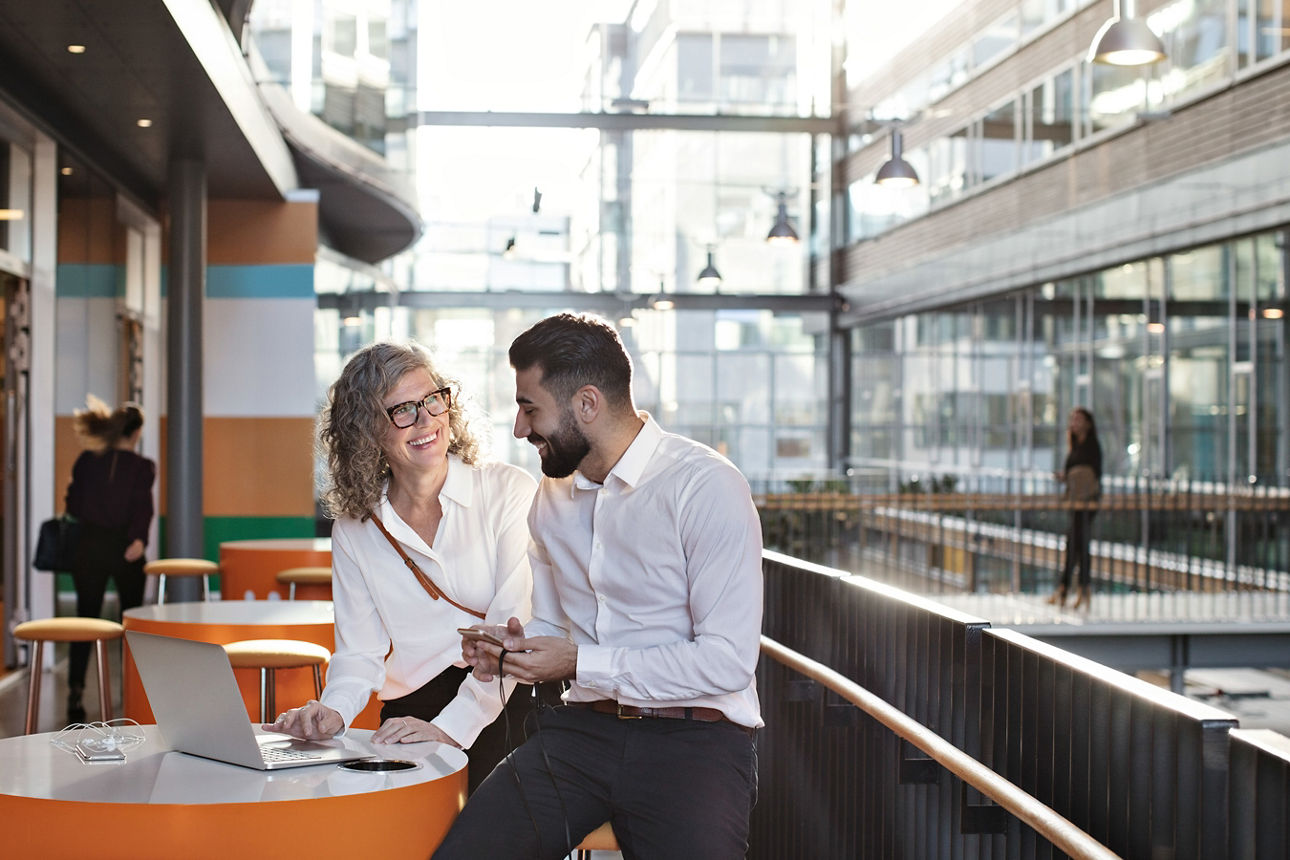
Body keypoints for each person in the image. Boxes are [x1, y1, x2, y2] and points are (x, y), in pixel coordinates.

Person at [436, 313, 764, 859]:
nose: (519, 429)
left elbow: (727, 662)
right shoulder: (552, 497)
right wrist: (513, 647)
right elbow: (553, 625)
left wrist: (576, 663)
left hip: (697, 744)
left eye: (529, 407)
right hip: (581, 734)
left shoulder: (706, 486)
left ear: (586, 404)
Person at [265, 341, 555, 793]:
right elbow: (360, 653)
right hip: (411, 711)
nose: (425, 421)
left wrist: (450, 729)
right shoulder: (356, 528)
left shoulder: (507, 491)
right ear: (367, 432)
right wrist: (334, 711)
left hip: (507, 699)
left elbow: (511, 628)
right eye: (401, 410)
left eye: (432, 400)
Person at [64, 396, 155, 724]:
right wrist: (138, 539)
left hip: (88, 547)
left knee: (84, 622)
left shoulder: (87, 461)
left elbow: (73, 505)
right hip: (126, 549)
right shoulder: (143, 467)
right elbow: (143, 507)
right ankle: (130, 693)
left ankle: (75, 691)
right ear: (137, 433)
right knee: (130, 624)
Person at [1050, 406, 1102, 610]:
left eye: (1079, 419)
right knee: (1076, 544)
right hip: (1076, 500)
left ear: (1088, 423)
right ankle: (1074, 589)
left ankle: (1073, 589)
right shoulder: (1074, 445)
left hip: (1087, 501)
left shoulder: (1091, 446)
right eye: (1073, 419)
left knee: (1077, 544)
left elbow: (1092, 473)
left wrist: (1070, 476)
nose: (1075, 423)